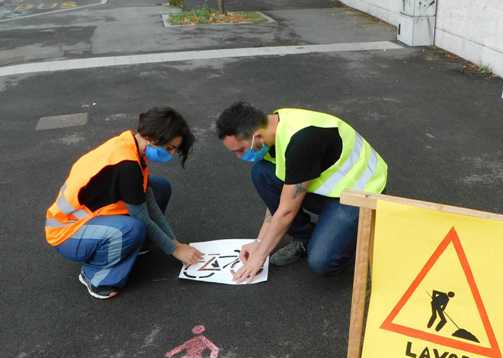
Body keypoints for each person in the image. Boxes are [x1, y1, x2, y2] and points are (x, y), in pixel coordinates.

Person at [215, 102, 388, 282]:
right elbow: (281, 198)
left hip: (361, 193)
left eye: (240, 150)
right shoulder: (270, 128)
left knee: (321, 261)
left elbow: (287, 210)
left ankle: (348, 244)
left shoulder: (301, 141)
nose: (239, 157)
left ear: (256, 136)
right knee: (262, 173)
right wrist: (259, 243)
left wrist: (258, 258)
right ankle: (306, 239)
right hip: (329, 185)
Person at [44, 107, 203, 299]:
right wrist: (174, 249)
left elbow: (149, 202)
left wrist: (175, 243)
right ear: (151, 137)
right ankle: (95, 276)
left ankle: (135, 244)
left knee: (160, 187)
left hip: (89, 219)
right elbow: (142, 217)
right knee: (132, 228)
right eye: (169, 148)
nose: (170, 154)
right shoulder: (126, 165)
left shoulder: (132, 145)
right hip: (67, 233)